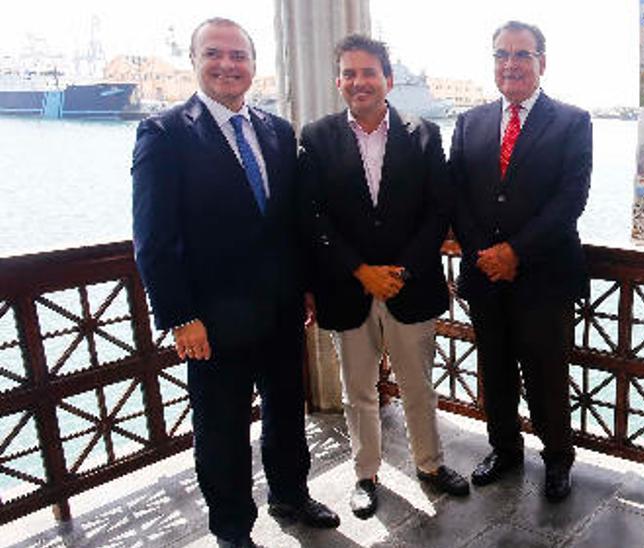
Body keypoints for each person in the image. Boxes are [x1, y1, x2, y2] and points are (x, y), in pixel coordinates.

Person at [131, 18, 338, 547]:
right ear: (195, 61)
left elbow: (290, 223)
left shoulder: (276, 131)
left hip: (282, 309)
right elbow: (154, 238)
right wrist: (179, 316)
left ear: (253, 63)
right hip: (212, 321)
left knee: (287, 411)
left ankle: (291, 494)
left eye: (238, 55)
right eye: (214, 54)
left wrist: (308, 287)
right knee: (221, 431)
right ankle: (231, 529)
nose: (227, 65)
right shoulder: (164, 133)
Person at [297, 34, 470, 521]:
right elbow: (312, 216)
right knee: (358, 391)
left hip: (409, 285)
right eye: (349, 73)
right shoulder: (317, 136)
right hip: (346, 286)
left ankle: (430, 466)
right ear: (339, 82)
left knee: (418, 386)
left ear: (387, 80)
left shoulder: (423, 133)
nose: (359, 82)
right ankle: (366, 474)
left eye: (368, 72)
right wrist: (359, 270)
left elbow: (439, 210)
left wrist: (402, 270)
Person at [448, 20, 591, 502]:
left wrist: (516, 252)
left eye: (522, 55)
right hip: (485, 276)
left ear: (541, 63)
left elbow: (570, 200)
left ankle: (557, 459)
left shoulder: (573, 121)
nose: (510, 64)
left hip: (544, 276)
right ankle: (505, 449)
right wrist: (483, 254)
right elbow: (458, 197)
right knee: (496, 369)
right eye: (501, 55)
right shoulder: (470, 123)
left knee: (547, 372)